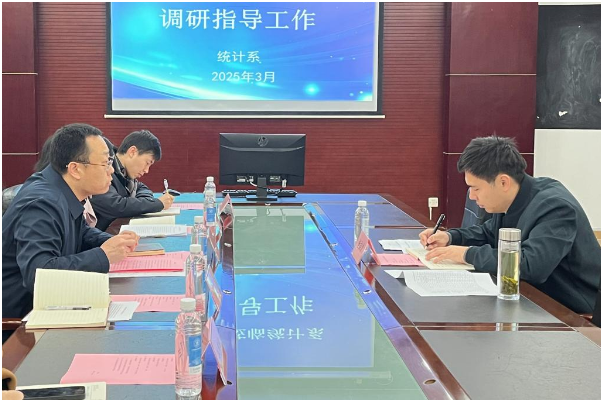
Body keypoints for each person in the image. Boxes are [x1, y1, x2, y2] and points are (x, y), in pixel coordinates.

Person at [419, 136, 601, 314]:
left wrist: (466, 254)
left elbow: (532, 266)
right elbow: (489, 233)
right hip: (531, 298)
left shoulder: (556, 207)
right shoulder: (512, 199)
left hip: (573, 311)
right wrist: (451, 237)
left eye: (476, 188)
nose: (472, 196)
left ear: (503, 182)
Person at [2, 123, 139, 342]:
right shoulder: (41, 204)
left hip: (51, 311)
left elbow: (81, 231)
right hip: (20, 327)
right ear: (75, 169)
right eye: (105, 163)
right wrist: (103, 256)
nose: (111, 171)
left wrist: (114, 242)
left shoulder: (60, 189)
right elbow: (39, 274)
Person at [90, 130, 174, 231]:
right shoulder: (103, 171)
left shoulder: (125, 173)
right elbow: (114, 206)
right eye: (147, 163)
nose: (146, 170)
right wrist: (157, 204)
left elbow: (141, 187)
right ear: (132, 152)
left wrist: (146, 202)